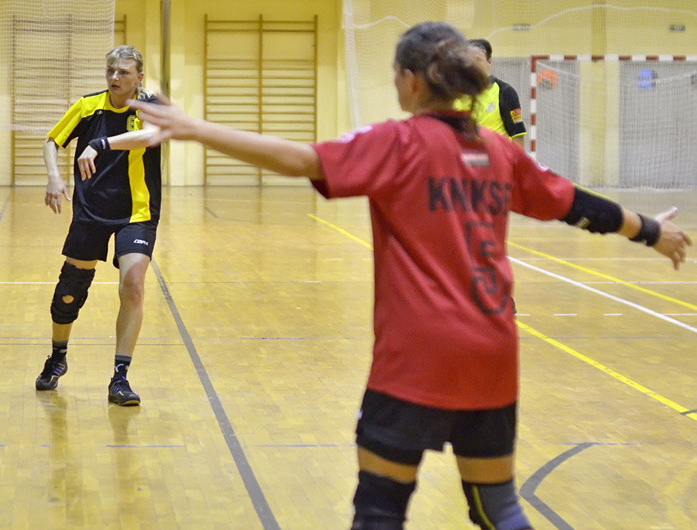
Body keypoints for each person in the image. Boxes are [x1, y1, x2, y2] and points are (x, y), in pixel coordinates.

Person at [128, 21, 691, 529]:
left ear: (412, 81)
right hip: (493, 352)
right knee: (497, 508)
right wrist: (649, 229)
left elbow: (302, 160)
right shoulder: (500, 152)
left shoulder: (397, 143)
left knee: (380, 512)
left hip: (417, 357)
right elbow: (575, 204)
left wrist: (193, 128)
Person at [34, 45, 163, 407]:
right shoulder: (88, 105)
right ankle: (58, 357)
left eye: (123, 72)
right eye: (110, 71)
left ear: (139, 77)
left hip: (137, 211)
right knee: (69, 291)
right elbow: (52, 141)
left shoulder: (150, 106)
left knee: (133, 285)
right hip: (91, 209)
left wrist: (100, 144)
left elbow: (149, 136)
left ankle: (120, 378)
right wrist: (54, 177)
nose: (114, 78)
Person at [454, 38, 526, 145]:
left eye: (477, 60)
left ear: (489, 62)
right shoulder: (454, 94)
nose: (472, 65)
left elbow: (518, 137)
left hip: (497, 155)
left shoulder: (505, 92)